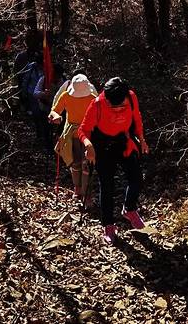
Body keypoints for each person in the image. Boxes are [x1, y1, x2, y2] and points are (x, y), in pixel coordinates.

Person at [78, 76, 149, 245]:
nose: (117, 108)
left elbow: (137, 118)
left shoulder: (131, 97)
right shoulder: (97, 104)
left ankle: (129, 209)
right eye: (113, 105)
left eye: (121, 105)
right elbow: (83, 130)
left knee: (136, 178)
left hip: (124, 142)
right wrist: (88, 145)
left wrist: (142, 139)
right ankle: (108, 224)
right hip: (102, 146)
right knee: (107, 185)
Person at [49, 73, 98, 204]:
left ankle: (86, 193)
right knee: (75, 162)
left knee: (87, 163)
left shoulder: (93, 98)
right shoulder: (66, 96)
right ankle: (77, 188)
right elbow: (54, 111)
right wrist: (55, 116)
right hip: (71, 134)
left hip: (88, 134)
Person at [33, 63, 66, 151]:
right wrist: (43, 94)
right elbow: (35, 93)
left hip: (58, 111)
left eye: (58, 75)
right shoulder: (44, 79)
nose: (55, 77)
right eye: (54, 74)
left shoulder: (64, 82)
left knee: (58, 130)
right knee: (46, 129)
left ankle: (57, 147)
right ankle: (47, 146)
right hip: (44, 108)